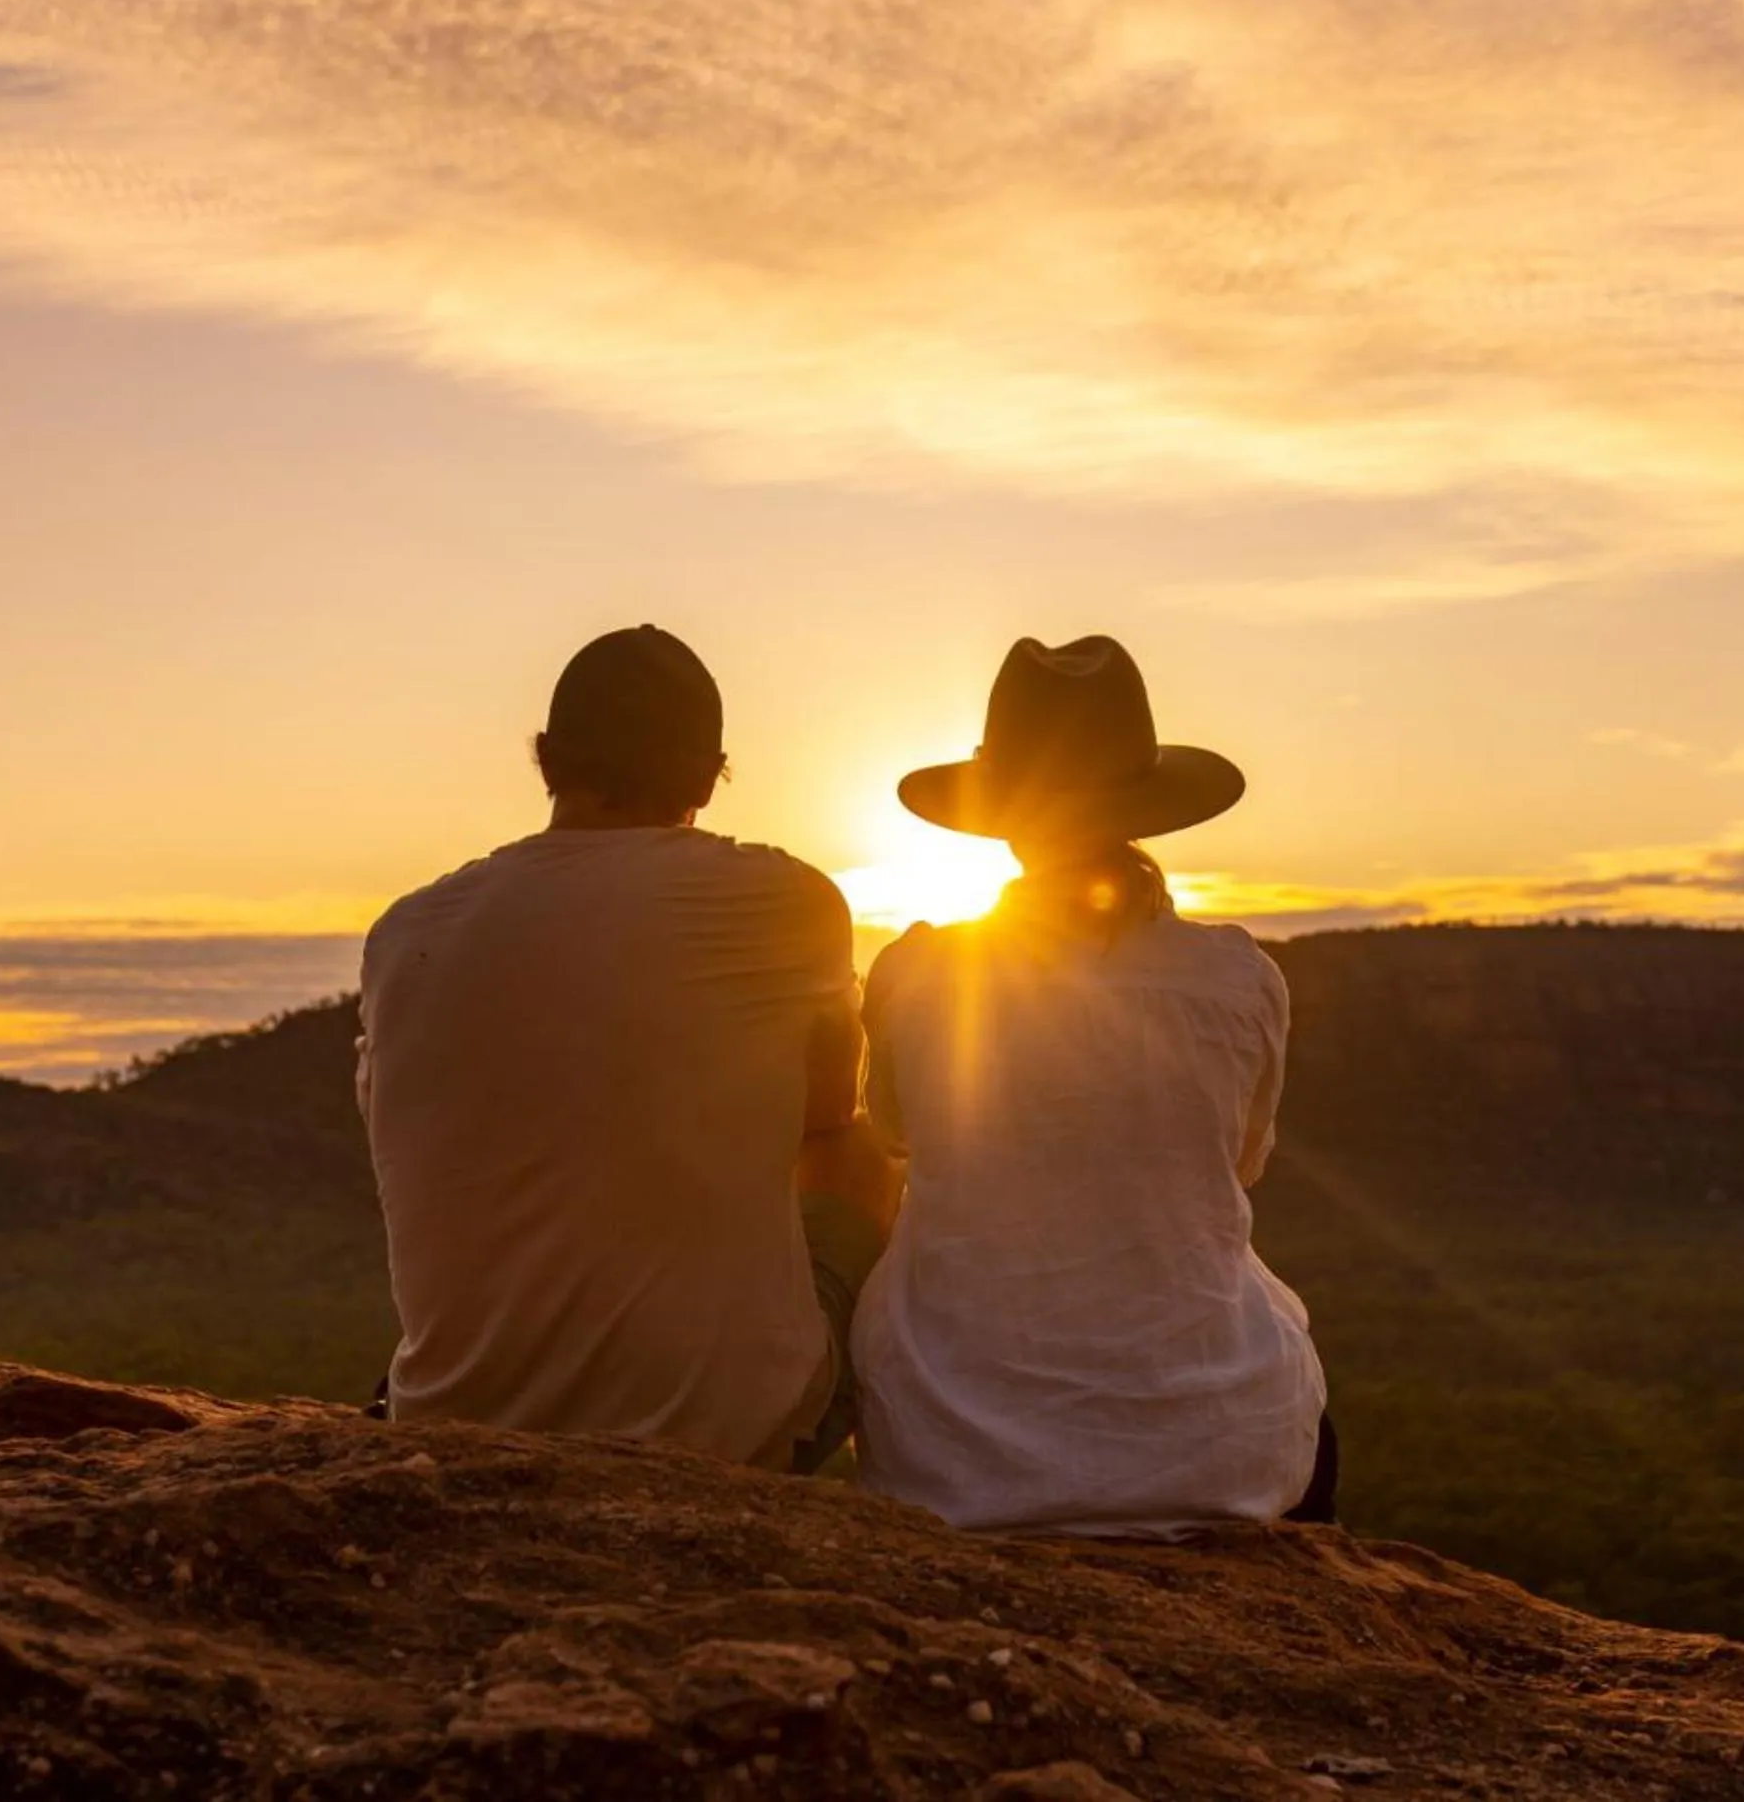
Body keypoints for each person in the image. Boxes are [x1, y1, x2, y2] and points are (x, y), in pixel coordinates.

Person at [355, 625, 897, 1471]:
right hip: (719, 1440)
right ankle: (916, 1498)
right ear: (709, 779)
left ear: (545, 757)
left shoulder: (405, 931)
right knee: (863, 1153)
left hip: (449, 1416)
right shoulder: (787, 901)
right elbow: (827, 1115)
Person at [850, 635, 1333, 1533]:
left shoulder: (917, 975)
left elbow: (896, 1136)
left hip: (958, 1454)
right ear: (1142, 810)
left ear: (1002, 815)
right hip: (1219, 1447)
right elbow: (1241, 1161)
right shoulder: (1237, 978)